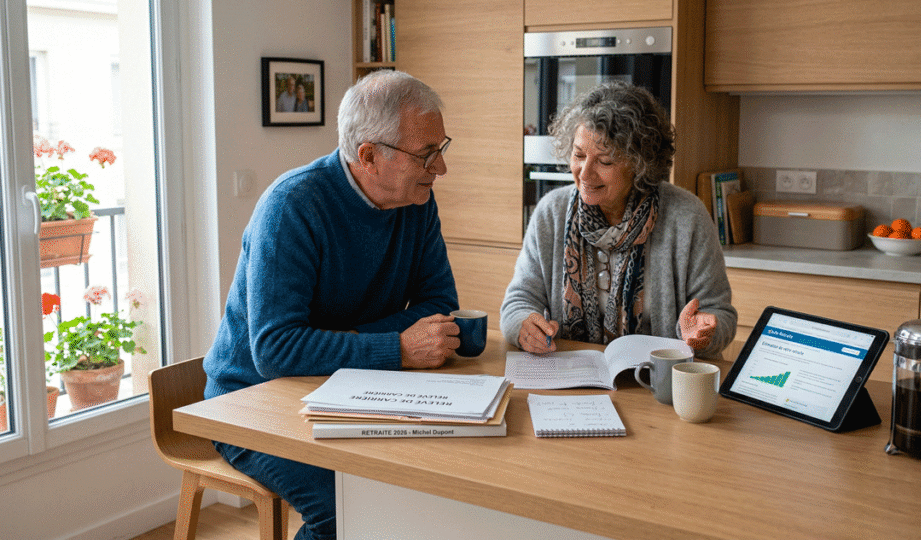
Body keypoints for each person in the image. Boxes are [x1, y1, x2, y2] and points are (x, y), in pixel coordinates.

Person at [204, 69, 460, 540]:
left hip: (349, 390)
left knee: (431, 483)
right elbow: (276, 350)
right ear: (369, 156)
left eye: (441, 148)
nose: (440, 168)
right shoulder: (291, 206)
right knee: (346, 510)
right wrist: (396, 347)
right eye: (426, 154)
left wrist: (352, 344)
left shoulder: (418, 201)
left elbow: (440, 304)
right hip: (251, 401)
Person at [500, 81, 737, 358]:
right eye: (578, 155)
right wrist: (524, 326)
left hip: (657, 377)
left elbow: (720, 315)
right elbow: (518, 301)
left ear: (639, 163)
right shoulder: (551, 212)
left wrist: (702, 333)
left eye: (605, 161)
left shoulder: (686, 217)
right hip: (573, 375)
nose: (584, 173)